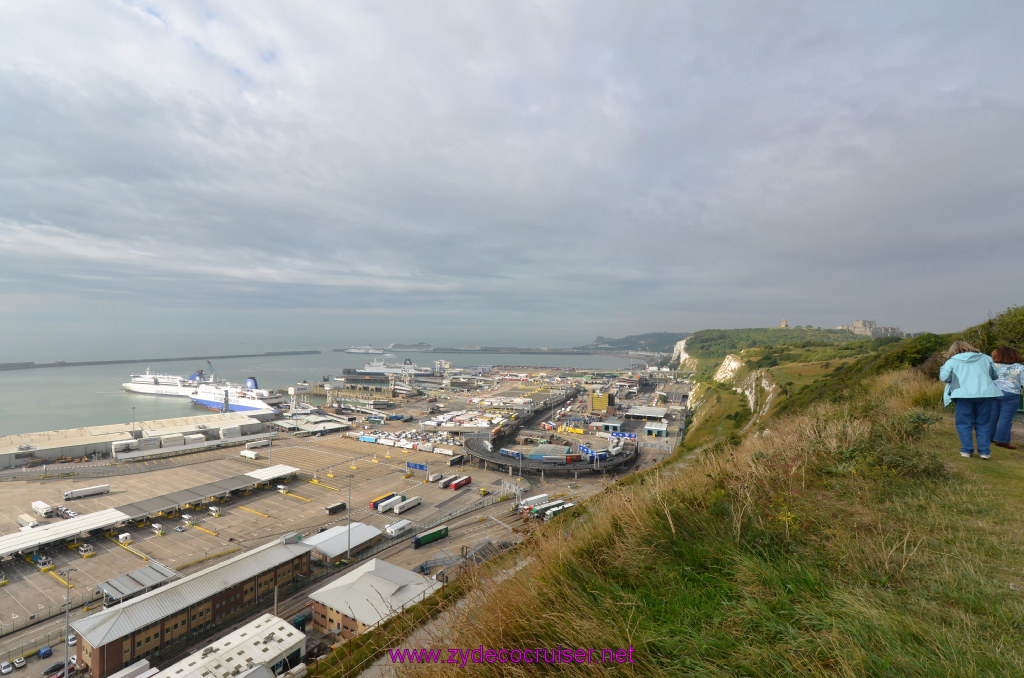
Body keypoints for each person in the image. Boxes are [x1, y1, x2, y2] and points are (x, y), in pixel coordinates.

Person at [939, 341, 1002, 459]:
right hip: (985, 394)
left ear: (952, 351)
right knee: (983, 423)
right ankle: (984, 452)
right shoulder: (985, 358)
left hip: (962, 394)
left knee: (964, 423)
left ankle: (967, 450)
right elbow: (995, 375)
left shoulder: (952, 361)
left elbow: (944, 377)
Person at [989, 346, 1024, 450]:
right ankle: (1001, 440)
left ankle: (988, 437)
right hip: (1011, 394)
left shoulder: (992, 365)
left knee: (991, 416)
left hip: (993, 393)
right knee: (1006, 418)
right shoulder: (1019, 367)